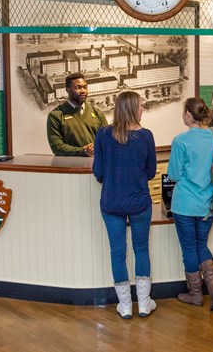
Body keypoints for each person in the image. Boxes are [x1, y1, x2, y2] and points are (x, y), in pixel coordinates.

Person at [92, 91, 157, 319]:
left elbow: (97, 172)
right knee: (141, 249)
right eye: (141, 106)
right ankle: (144, 303)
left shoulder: (103, 135)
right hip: (139, 202)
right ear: (132, 109)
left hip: (111, 202)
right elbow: (150, 172)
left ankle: (126, 305)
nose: (142, 109)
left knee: (117, 253)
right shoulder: (146, 136)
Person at [167, 97, 213, 311]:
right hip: (208, 203)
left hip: (184, 203)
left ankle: (196, 294)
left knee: (189, 248)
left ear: (189, 115)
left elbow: (173, 174)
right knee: (201, 245)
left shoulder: (181, 141)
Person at [47, 73, 108, 156]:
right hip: (69, 167)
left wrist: (95, 147)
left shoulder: (98, 113)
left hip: (95, 166)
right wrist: (83, 151)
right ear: (67, 90)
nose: (83, 91)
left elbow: (107, 140)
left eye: (85, 87)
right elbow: (57, 147)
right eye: (78, 87)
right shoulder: (55, 115)